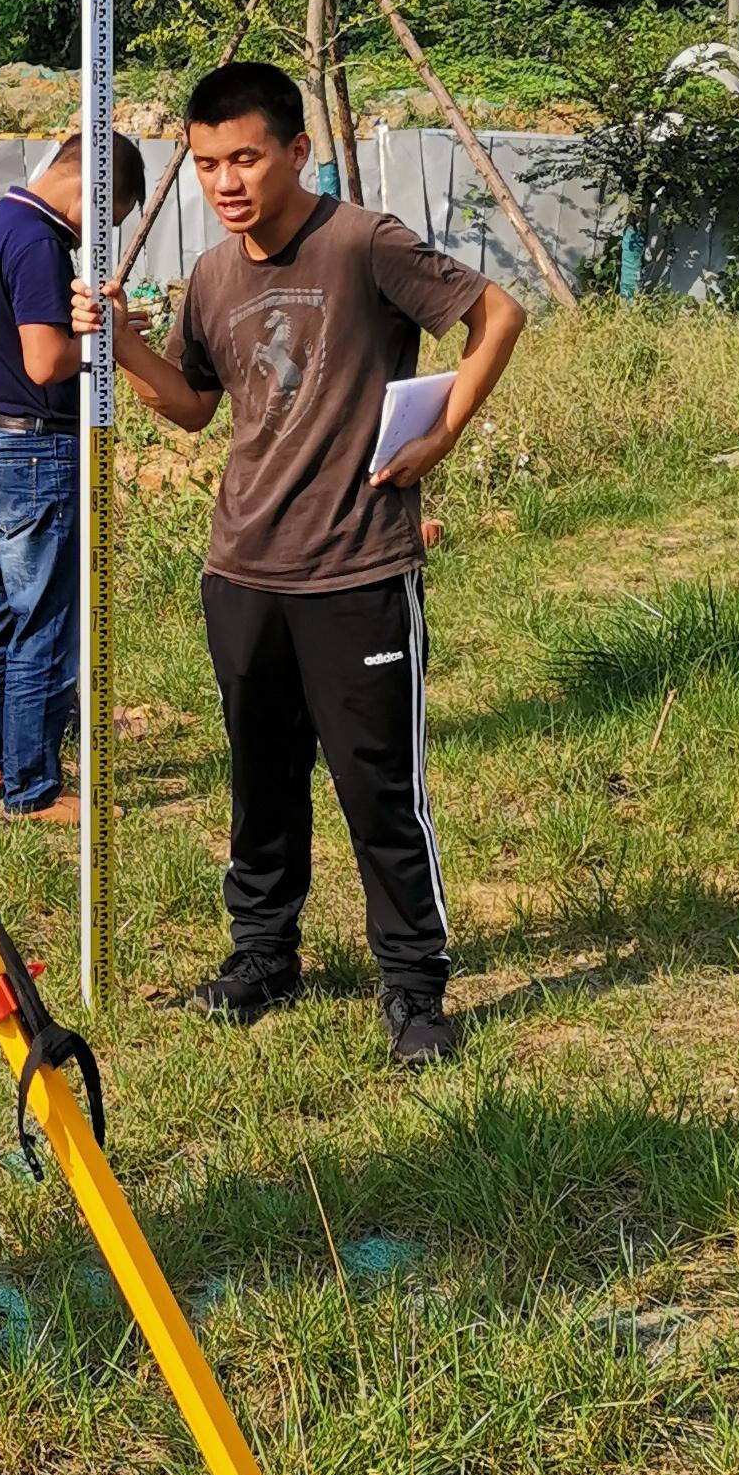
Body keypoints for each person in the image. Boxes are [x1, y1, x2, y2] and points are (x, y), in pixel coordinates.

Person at [84, 58, 524, 1061]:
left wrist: (444, 430)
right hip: (242, 568)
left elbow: (497, 315)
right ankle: (263, 956)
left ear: (296, 151)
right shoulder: (212, 275)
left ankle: (414, 990)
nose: (227, 180)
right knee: (262, 780)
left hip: (357, 571)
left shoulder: (362, 243)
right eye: (205, 163)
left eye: (244, 156)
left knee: (379, 790)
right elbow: (194, 406)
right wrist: (118, 343)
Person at [0, 127, 152, 823]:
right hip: (35, 452)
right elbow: (45, 361)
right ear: (93, 193)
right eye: (110, 218)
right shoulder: (39, 242)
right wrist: (104, 333)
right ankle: (33, 789)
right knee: (43, 622)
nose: (98, 235)